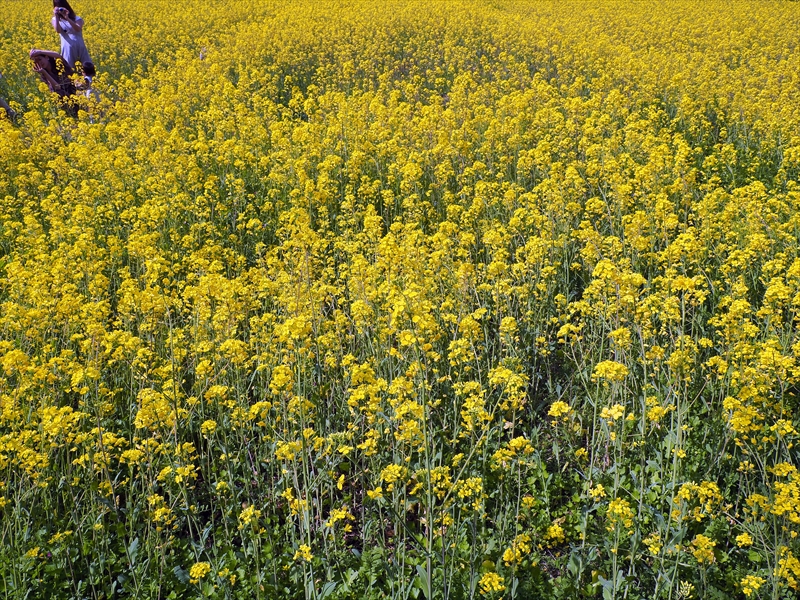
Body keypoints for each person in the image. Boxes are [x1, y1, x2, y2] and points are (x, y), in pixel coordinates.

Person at [51, 0, 95, 80]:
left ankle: (90, 87)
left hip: (80, 46)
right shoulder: (55, 19)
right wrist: (57, 16)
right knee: (69, 70)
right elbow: (58, 30)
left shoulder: (77, 18)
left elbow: (78, 29)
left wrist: (67, 18)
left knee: (87, 69)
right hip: (67, 48)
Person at [29, 49, 78, 116]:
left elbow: (58, 56)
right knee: (58, 93)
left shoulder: (59, 65)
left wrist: (40, 52)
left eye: (40, 59)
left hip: (76, 93)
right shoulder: (44, 75)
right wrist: (45, 73)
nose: (39, 63)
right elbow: (57, 87)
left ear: (47, 57)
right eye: (36, 62)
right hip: (66, 101)